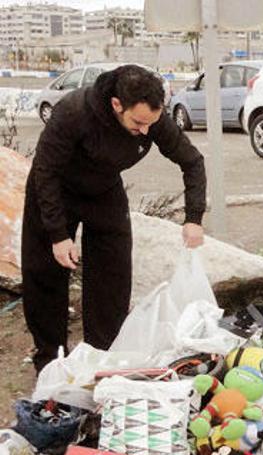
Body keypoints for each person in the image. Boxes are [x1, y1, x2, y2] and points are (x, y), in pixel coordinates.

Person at [23, 64, 206, 372]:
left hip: (105, 191)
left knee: (113, 276)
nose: (146, 131)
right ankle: (50, 360)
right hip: (56, 191)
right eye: (138, 123)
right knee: (46, 274)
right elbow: (45, 172)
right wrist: (57, 235)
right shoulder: (73, 112)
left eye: (151, 122)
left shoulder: (151, 119)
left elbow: (192, 161)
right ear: (116, 105)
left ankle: (102, 356)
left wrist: (194, 217)